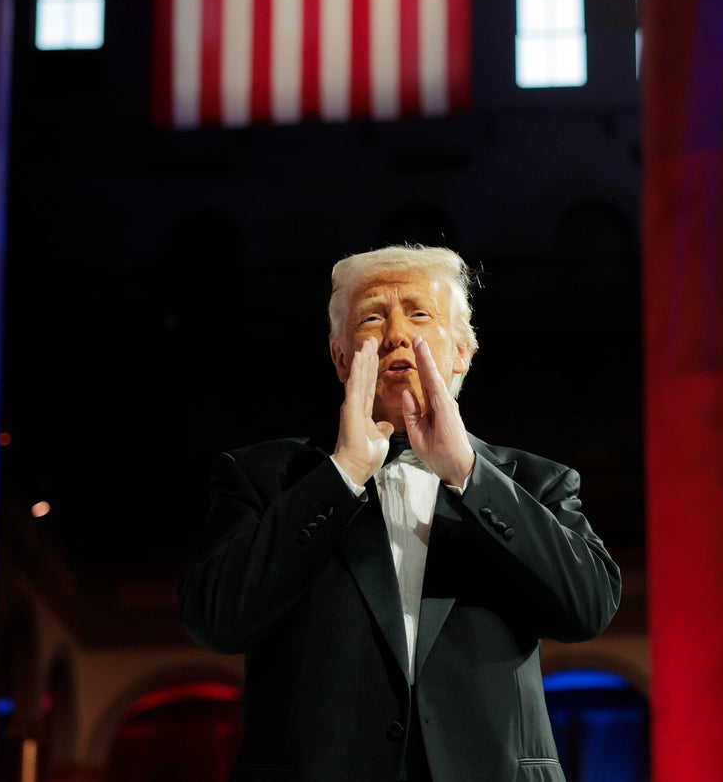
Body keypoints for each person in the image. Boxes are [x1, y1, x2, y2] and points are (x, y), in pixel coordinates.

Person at [178, 244, 621, 782]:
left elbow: (587, 608)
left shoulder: (536, 482)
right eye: (371, 317)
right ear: (340, 357)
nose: (394, 334)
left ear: (461, 350)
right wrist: (341, 475)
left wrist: (466, 474)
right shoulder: (265, 477)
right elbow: (217, 622)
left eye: (418, 313)